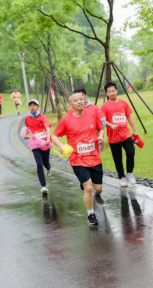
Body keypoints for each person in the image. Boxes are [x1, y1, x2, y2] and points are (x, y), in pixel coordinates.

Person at [52, 92, 104, 226]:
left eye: (81, 99)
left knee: (98, 188)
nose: (80, 102)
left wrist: (101, 136)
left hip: (94, 158)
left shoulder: (92, 114)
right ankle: (91, 214)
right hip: (77, 159)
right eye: (76, 100)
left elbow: (100, 128)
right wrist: (61, 145)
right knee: (88, 187)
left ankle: (86, 183)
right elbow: (54, 135)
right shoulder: (66, 120)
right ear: (71, 104)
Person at [101, 82, 138, 187]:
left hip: (126, 134)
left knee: (131, 152)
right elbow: (102, 120)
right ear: (106, 94)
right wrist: (111, 125)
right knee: (117, 158)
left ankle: (129, 173)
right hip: (113, 137)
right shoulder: (105, 106)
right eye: (109, 92)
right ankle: (121, 177)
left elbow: (129, 116)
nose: (112, 93)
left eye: (113, 91)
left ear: (116, 91)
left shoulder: (123, 103)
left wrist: (134, 129)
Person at [24, 99, 52, 195]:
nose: (32, 107)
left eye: (34, 105)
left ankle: (48, 167)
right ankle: (43, 186)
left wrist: (48, 139)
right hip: (35, 144)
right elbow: (28, 128)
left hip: (44, 143)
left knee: (45, 162)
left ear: (38, 107)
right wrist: (25, 134)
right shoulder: (27, 118)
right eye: (30, 105)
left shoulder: (42, 117)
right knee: (39, 163)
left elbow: (47, 128)